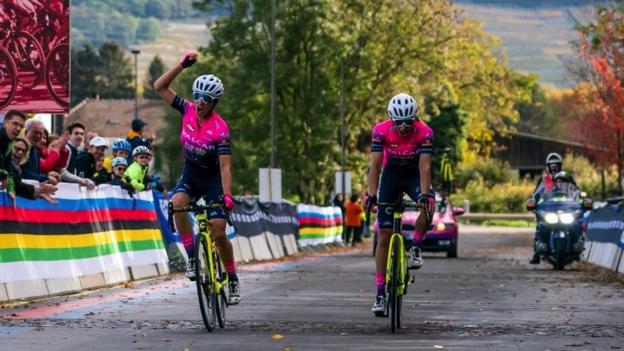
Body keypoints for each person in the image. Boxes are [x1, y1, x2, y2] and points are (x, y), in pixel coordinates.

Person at [154, 49, 239, 305]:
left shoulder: (220, 129)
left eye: (206, 99)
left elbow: (225, 168)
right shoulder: (187, 110)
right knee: (177, 205)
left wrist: (226, 196)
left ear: (214, 102)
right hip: (191, 174)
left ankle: (232, 278)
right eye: (197, 96)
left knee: (219, 232)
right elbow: (160, 86)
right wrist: (182, 65)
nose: (200, 102)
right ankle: (192, 256)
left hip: (212, 179)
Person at [365, 93, 435, 314]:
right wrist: (371, 195)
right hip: (392, 176)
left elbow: (425, 168)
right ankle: (379, 293)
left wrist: (424, 196)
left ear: (415, 118)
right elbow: (375, 166)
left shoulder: (425, 133)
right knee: (384, 233)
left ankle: (415, 247)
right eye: (399, 122)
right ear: (391, 119)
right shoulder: (380, 130)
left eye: (408, 121)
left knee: (429, 204)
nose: (404, 127)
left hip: (414, 175)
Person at [529, 152, 576, 264]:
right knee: (541, 227)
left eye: (556, 165)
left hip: (566, 209)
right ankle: (537, 252)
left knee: (576, 225)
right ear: (548, 166)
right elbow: (536, 193)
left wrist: (584, 200)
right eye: (552, 165)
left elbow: (576, 191)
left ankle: (575, 247)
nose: (554, 167)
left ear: (560, 166)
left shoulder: (567, 178)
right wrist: (533, 201)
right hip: (548, 209)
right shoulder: (545, 180)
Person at [0, 110, 57, 201]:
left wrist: (34, 191)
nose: (18, 128)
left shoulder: (9, 144)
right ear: (5, 123)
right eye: (15, 124)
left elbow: (11, 174)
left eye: (21, 126)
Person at [21, 120, 59, 185]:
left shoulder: (36, 151)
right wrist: (46, 177)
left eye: (40, 133)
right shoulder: (19, 149)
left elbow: (35, 174)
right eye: (35, 132)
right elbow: (23, 174)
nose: (38, 136)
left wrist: (48, 175)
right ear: (26, 132)